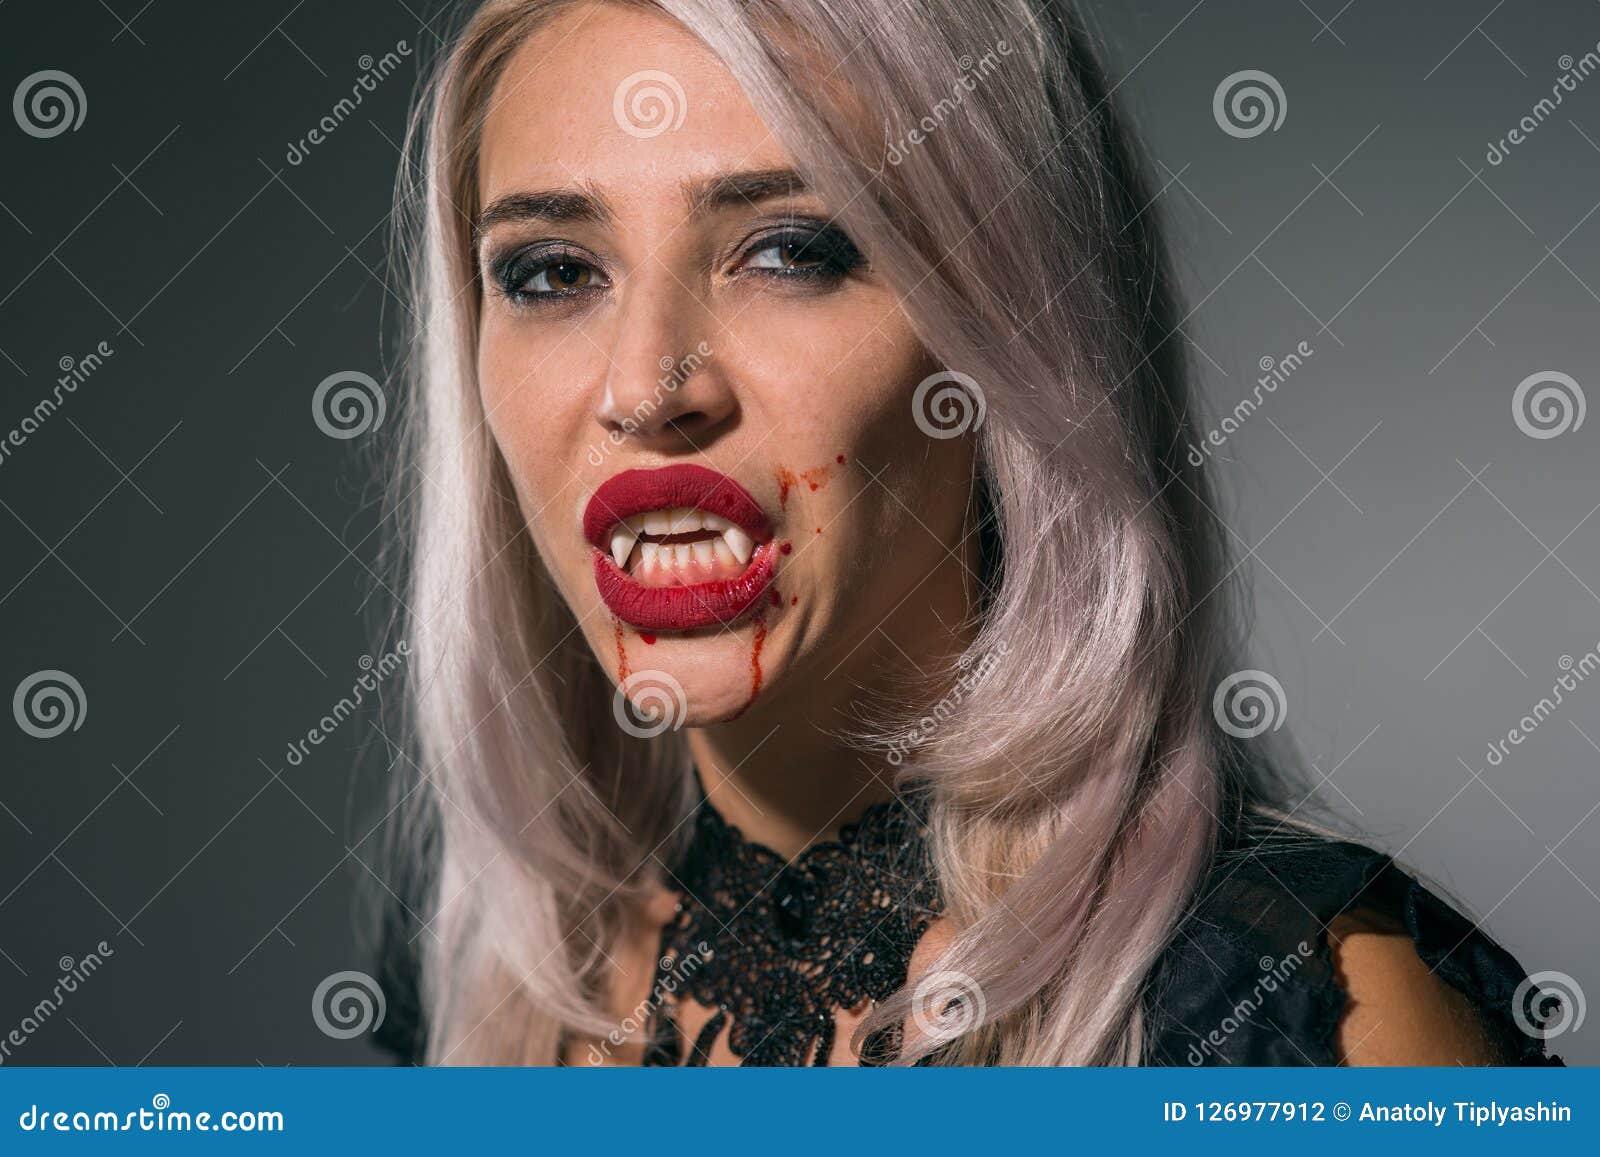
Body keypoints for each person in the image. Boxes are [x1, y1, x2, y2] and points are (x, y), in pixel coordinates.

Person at [368, 0, 1560, 1067]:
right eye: (551, 272)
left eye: (787, 251)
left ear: (1001, 332)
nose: (645, 383)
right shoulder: (488, 966)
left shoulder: (1302, 1021)